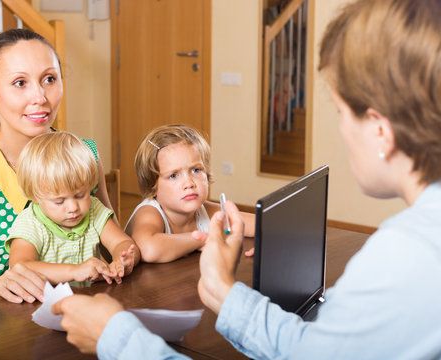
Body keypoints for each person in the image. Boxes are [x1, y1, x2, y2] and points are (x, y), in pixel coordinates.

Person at [51, 0, 441, 358]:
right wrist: (224, 290)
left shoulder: (408, 255)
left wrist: (114, 337)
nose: (341, 130)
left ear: (380, 131)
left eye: (341, 112)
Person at [0, 29, 116, 308]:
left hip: (82, 318)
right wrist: (0, 288)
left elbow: (111, 243)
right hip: (2, 330)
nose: (40, 97)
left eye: (49, 79)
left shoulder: (85, 154)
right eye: (20, 82)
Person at [6, 131, 139, 285]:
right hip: (47, 304)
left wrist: (123, 260)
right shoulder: (30, 222)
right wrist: (75, 271)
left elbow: (122, 243)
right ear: (36, 197)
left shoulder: (94, 209)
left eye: (80, 195)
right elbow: (20, 267)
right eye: (59, 201)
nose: (73, 208)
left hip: (88, 301)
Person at [124, 124, 255, 263]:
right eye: (174, 176)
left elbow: (260, 225)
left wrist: (264, 245)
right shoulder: (149, 212)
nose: (189, 183)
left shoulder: (206, 210)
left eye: (196, 170)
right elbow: (148, 249)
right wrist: (201, 240)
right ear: (153, 186)